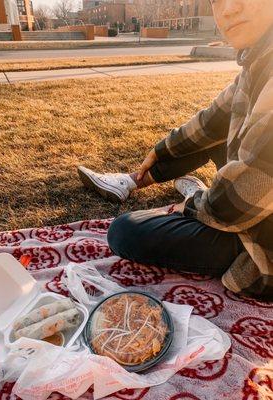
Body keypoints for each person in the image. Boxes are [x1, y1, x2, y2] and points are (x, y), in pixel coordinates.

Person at [78, 0, 273, 301]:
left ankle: (193, 193)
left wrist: (190, 206)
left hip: (261, 244)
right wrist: (160, 151)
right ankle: (128, 182)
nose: (228, 9)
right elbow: (211, 121)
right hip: (254, 207)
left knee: (124, 232)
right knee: (209, 135)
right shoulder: (258, 58)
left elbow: (233, 205)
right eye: (217, 0)